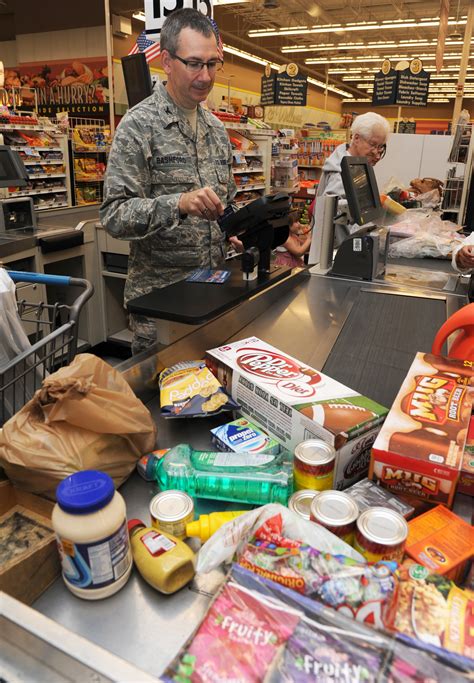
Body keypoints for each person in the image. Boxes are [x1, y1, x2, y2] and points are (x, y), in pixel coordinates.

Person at [100, 8, 237, 355]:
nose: (205, 76)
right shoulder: (138, 126)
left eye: (212, 64)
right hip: (161, 308)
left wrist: (236, 225)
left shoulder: (217, 130)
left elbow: (226, 200)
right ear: (166, 61)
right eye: (194, 63)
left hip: (213, 299)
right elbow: (115, 215)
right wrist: (178, 204)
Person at [314, 112, 390, 243]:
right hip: (334, 250)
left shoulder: (357, 164)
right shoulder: (340, 171)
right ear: (356, 138)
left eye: (381, 147)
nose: (377, 154)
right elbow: (331, 207)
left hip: (348, 242)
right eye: (373, 144)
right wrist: (372, 205)